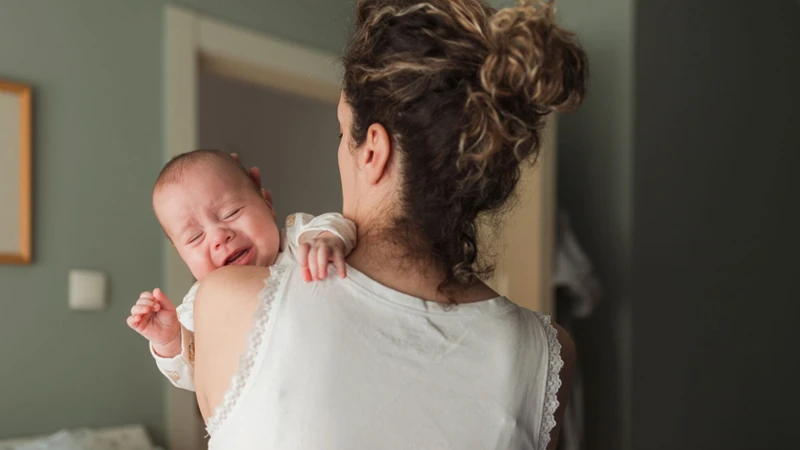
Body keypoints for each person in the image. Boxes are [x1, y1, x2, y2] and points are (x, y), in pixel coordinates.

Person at [193, 0, 588, 448]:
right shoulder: (548, 356)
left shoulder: (230, 300)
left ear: (373, 151)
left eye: (342, 133)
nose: (341, 148)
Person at [125, 149, 357, 391]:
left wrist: (327, 240)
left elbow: (335, 223)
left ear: (267, 203)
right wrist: (171, 340)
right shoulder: (201, 303)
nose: (218, 236)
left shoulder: (297, 240)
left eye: (231, 212)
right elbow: (198, 376)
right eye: (195, 237)